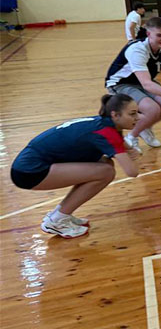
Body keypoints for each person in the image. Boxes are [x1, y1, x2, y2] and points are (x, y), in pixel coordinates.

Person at [9, 94, 140, 238]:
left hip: (27, 165)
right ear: (115, 115)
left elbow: (119, 141)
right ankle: (56, 221)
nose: (138, 118)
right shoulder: (107, 132)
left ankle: (60, 215)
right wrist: (133, 156)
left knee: (104, 163)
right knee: (106, 172)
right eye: (132, 114)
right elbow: (132, 172)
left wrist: (129, 149)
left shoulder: (102, 122)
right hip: (29, 172)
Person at [105, 17, 161, 153]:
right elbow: (147, 84)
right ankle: (131, 137)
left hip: (142, 81)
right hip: (120, 83)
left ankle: (144, 127)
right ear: (148, 34)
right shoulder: (137, 49)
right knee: (152, 109)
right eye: (159, 35)